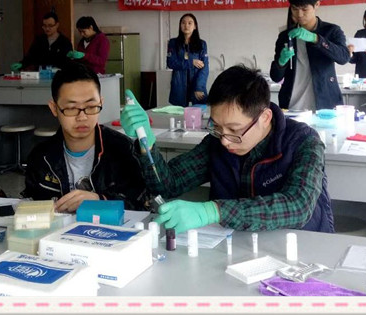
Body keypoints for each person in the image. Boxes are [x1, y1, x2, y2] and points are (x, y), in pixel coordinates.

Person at [120, 65, 334, 233]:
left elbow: (298, 206)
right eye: (217, 126)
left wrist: (213, 211)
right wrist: (145, 141)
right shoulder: (216, 143)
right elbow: (168, 184)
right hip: (236, 247)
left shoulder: (303, 141)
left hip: (302, 246)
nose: (224, 140)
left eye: (234, 129)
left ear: (265, 118)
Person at [23, 63, 149, 212]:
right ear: (54, 108)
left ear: (100, 103)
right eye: (71, 108)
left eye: (90, 107)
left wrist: (99, 201)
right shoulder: (41, 157)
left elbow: (140, 206)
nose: (82, 117)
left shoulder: (123, 150)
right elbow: (32, 207)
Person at [269, 0, 349, 111]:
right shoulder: (286, 36)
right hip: (292, 106)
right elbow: (275, 76)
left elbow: (344, 57)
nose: (299, 14)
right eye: (295, 9)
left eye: (304, 9)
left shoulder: (331, 31)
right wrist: (281, 62)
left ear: (317, 4)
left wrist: (316, 39)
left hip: (325, 105)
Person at [166, 13, 209, 106]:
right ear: (180, 26)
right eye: (183, 23)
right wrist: (190, 62)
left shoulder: (202, 44)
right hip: (179, 86)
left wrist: (199, 87)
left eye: (190, 23)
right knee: (179, 114)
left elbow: (205, 68)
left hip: (196, 85)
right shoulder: (173, 43)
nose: (186, 25)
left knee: (199, 112)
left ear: (195, 26)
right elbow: (170, 63)